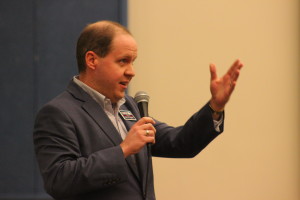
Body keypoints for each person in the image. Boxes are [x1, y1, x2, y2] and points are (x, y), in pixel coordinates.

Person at [33, 20, 243, 200]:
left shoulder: (129, 106)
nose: (132, 72)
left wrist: (215, 107)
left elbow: (180, 143)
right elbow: (59, 180)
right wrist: (123, 150)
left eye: (133, 62)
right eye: (123, 61)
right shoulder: (59, 113)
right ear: (92, 60)